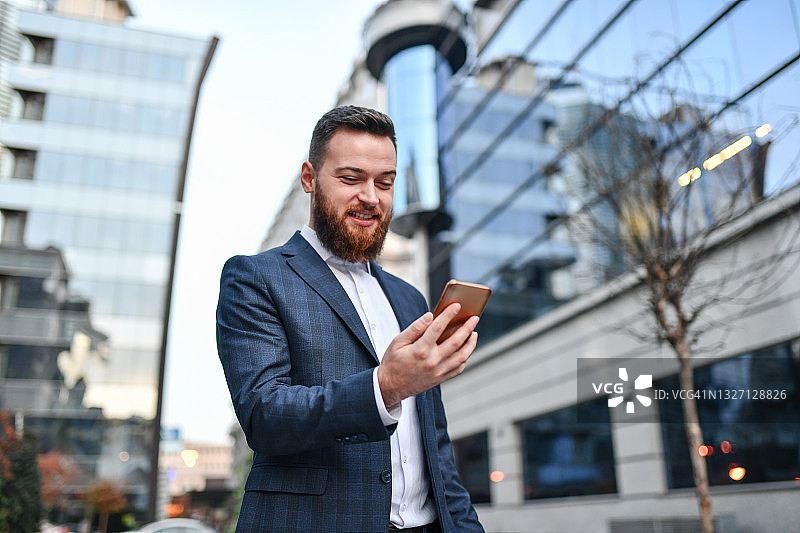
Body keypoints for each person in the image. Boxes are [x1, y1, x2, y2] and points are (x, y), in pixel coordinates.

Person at [216, 105, 484, 533]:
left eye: (385, 182)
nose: (371, 197)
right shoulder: (255, 278)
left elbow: (435, 450)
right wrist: (385, 386)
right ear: (309, 178)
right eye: (351, 178)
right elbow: (264, 417)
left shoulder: (409, 297)